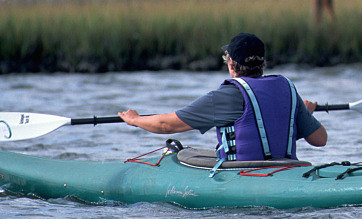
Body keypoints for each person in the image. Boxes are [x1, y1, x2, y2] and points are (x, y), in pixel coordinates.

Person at [118, 32, 327, 162]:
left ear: (231, 64)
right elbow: (320, 139)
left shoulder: (230, 94)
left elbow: (166, 125)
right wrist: (300, 115)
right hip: (286, 170)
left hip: (243, 175)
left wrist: (135, 120)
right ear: (263, 64)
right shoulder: (287, 88)